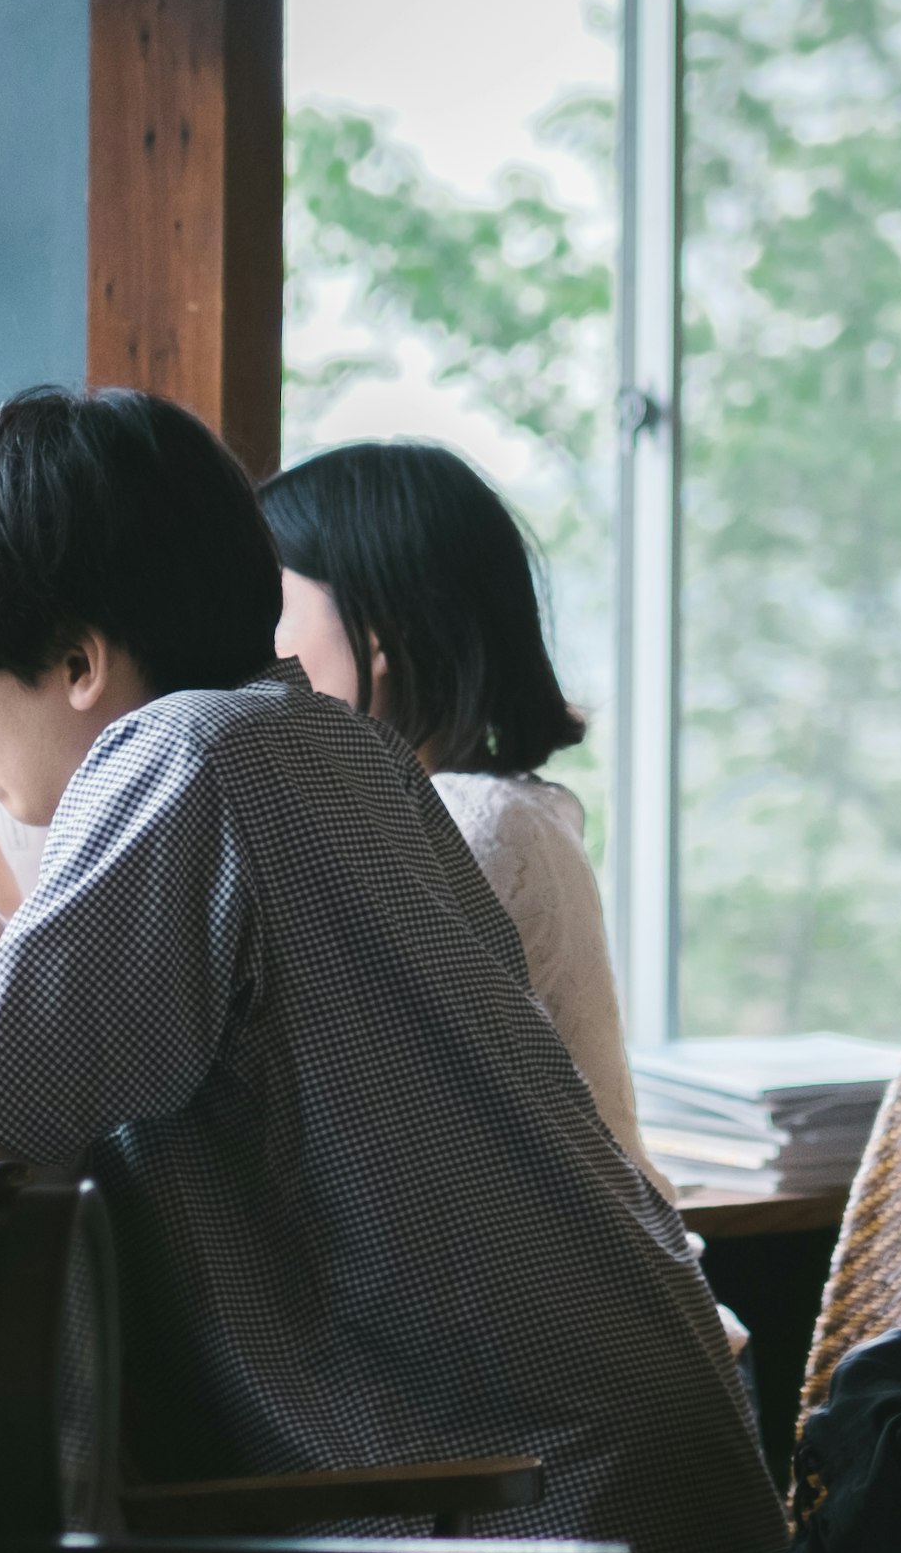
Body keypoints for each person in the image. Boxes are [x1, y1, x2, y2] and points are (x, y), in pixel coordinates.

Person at [0, 386, 785, 1553]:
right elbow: (39, 1067)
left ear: (80, 663)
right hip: (653, 1498)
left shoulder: (188, 759)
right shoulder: (312, 744)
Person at [257, 440, 656, 1189]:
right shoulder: (501, 808)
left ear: (380, 631)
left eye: (271, 610)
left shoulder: (469, 822)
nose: (251, 650)